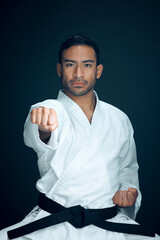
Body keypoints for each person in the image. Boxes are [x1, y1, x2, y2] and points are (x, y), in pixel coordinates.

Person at [1, 34, 159, 240]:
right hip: (54, 220)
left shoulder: (119, 119)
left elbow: (127, 169)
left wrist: (127, 192)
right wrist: (43, 126)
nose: (78, 73)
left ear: (98, 71)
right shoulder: (51, 109)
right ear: (59, 69)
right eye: (70, 65)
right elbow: (39, 131)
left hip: (108, 222)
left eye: (86, 65)